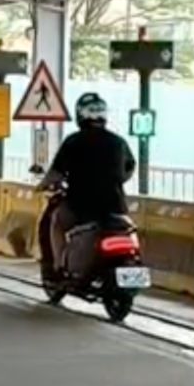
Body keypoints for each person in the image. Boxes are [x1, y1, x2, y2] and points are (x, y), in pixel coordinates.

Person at [38, 92, 136, 273]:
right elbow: (129, 169)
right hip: (116, 207)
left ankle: (59, 266)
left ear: (80, 115)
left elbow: (56, 173)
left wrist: (42, 185)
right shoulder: (118, 142)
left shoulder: (73, 141)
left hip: (81, 207)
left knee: (57, 221)